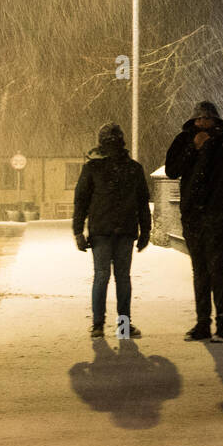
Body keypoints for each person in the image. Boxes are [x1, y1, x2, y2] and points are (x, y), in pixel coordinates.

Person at [164, 101, 223, 342]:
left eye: (205, 118)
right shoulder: (184, 139)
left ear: (215, 119)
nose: (201, 122)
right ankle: (202, 324)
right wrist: (193, 147)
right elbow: (172, 170)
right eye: (198, 119)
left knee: (218, 269)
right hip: (193, 217)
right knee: (200, 270)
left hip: (217, 216)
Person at [73, 122, 151, 339]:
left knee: (101, 277)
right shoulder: (134, 169)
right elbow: (142, 202)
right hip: (125, 230)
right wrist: (145, 231)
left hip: (101, 231)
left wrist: (78, 231)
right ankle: (124, 327)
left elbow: (81, 201)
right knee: (123, 278)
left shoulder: (92, 168)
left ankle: (98, 325)